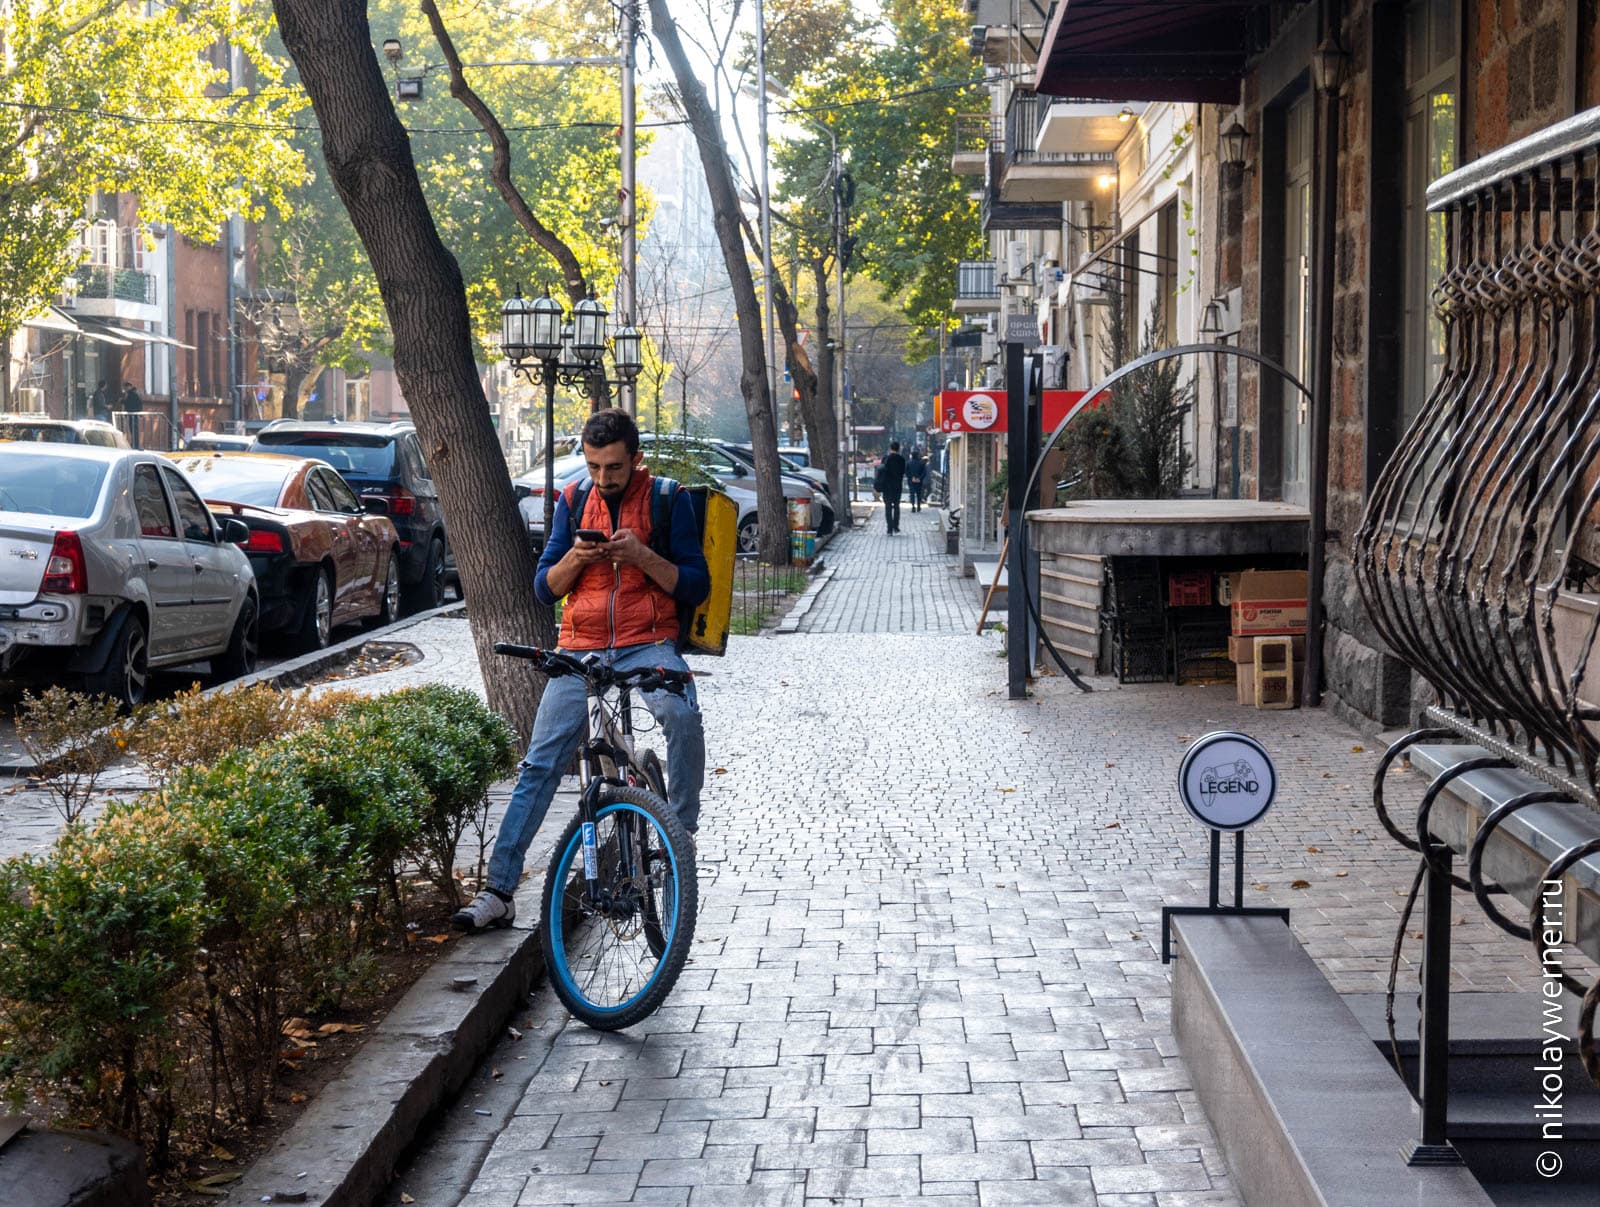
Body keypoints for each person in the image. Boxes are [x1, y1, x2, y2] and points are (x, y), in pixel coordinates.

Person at [452, 408, 711, 933]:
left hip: (648, 642)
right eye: (593, 466)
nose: (603, 477)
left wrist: (641, 556)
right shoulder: (572, 501)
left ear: (635, 459)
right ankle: (499, 891)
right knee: (539, 764)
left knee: (682, 716)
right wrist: (575, 557)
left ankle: (679, 836)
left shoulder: (668, 498)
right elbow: (544, 588)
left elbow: (695, 585)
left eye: (613, 467)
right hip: (581, 647)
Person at [878, 440, 907, 534]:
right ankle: (896, 526)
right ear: (898, 449)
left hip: (887, 486)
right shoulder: (902, 459)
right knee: (897, 506)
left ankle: (889, 528)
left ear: (890, 448)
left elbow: (881, 472)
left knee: (888, 507)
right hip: (897, 486)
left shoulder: (885, 459)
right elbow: (903, 472)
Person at [906, 447, 929, 513]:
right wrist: (919, 478)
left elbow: (906, 472)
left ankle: (913, 506)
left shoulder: (908, 463)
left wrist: (911, 477)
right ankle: (918, 506)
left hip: (911, 481)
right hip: (919, 481)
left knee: (912, 494)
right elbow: (924, 472)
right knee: (919, 494)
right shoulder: (921, 463)